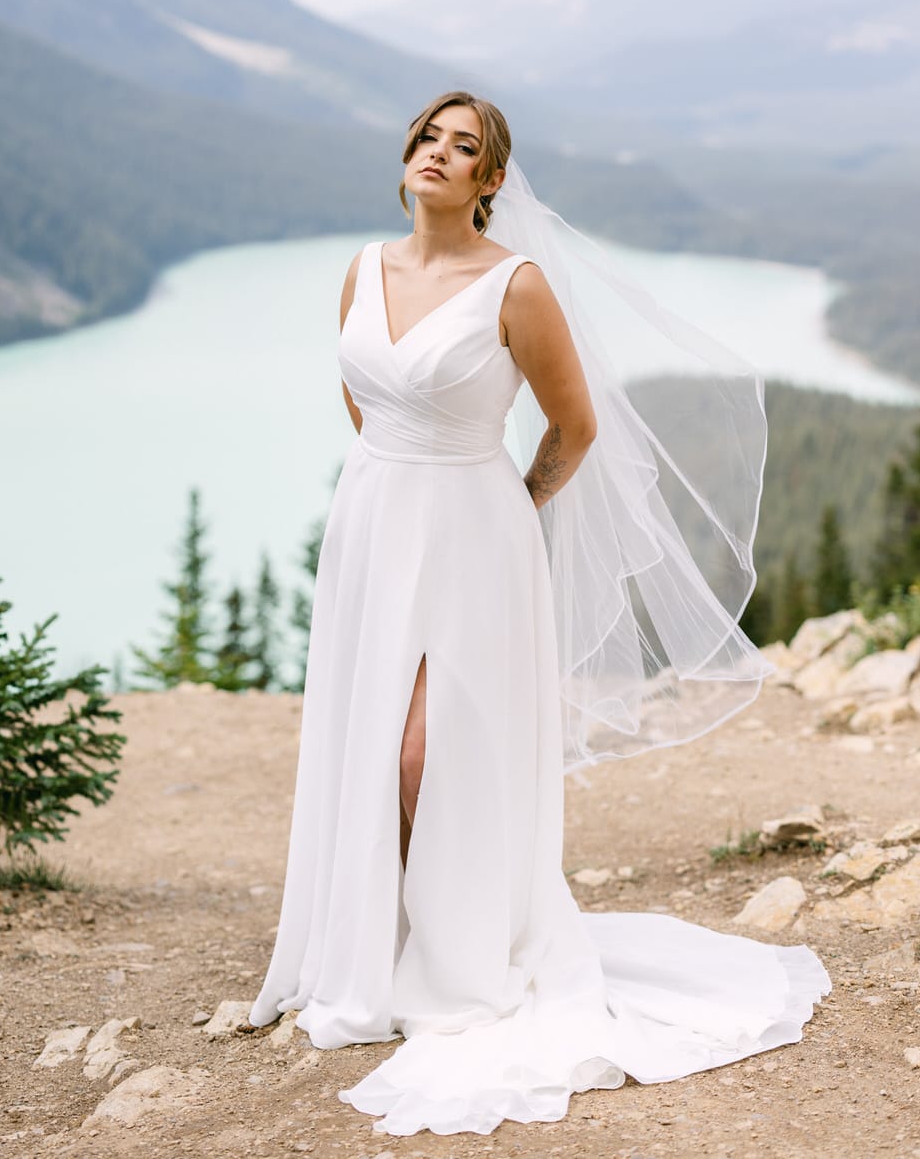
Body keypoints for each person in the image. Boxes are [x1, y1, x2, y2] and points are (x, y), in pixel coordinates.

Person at [248, 90, 830, 1138]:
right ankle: (371, 944)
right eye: (428, 136)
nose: (437, 153)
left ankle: (454, 951)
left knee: (423, 753)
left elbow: (574, 425)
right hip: (373, 522)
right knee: (368, 735)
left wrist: (508, 506)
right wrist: (396, 464)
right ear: (407, 157)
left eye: (462, 147)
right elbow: (365, 399)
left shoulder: (513, 286)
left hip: (477, 535)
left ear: (489, 182)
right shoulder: (361, 270)